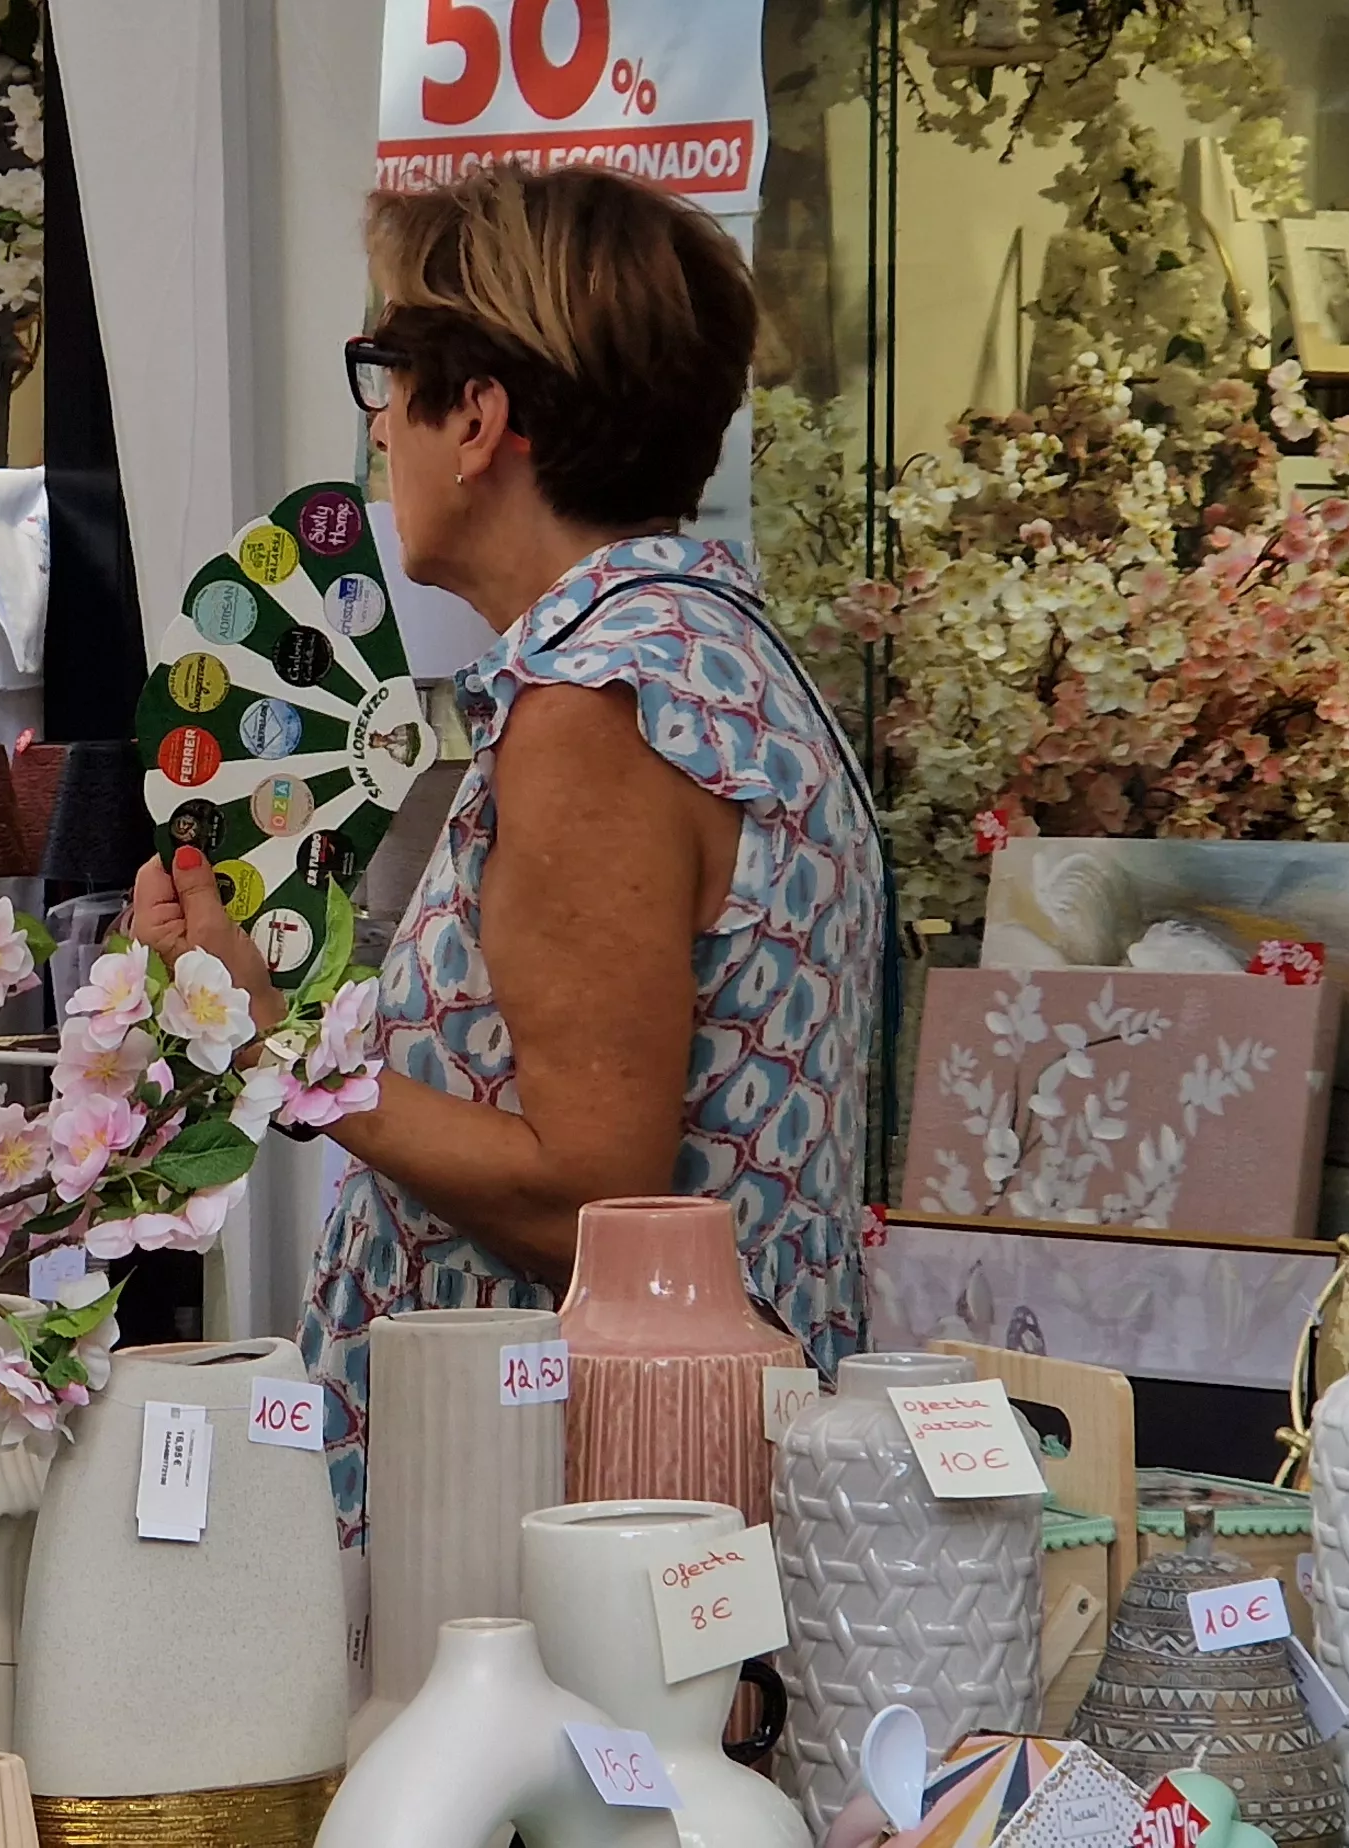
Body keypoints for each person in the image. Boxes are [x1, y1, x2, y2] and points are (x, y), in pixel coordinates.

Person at [126, 164, 885, 1538]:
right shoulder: (718, 659)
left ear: (477, 416)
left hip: (581, 1518)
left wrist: (267, 1040)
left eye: (387, 374)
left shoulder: (600, 705)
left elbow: (592, 1196)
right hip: (675, 1500)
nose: (377, 435)